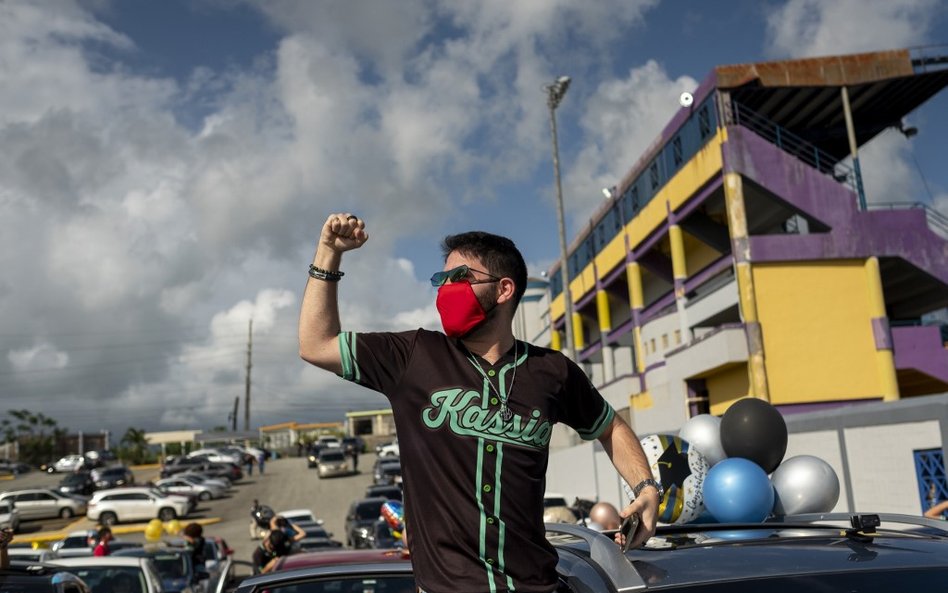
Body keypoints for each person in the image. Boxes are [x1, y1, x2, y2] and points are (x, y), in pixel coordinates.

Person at [299, 214, 660, 593]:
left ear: (504, 289)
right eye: (441, 280)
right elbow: (315, 344)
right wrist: (329, 254)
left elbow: (610, 426)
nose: (445, 288)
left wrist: (647, 489)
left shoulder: (553, 372)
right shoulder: (413, 356)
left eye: (461, 278)